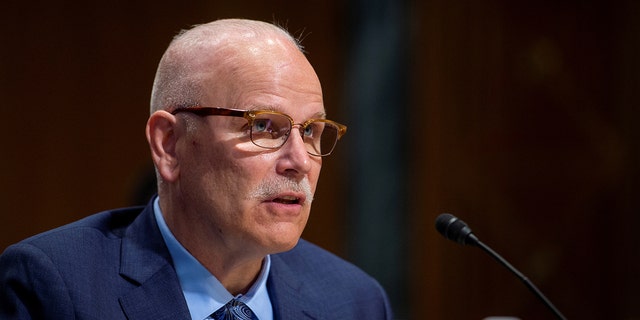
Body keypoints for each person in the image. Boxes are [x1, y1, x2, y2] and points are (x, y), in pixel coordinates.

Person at [0, 18, 393, 319]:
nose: (300, 162)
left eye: (310, 131)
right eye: (262, 126)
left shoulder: (355, 301)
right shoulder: (54, 287)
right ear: (168, 145)